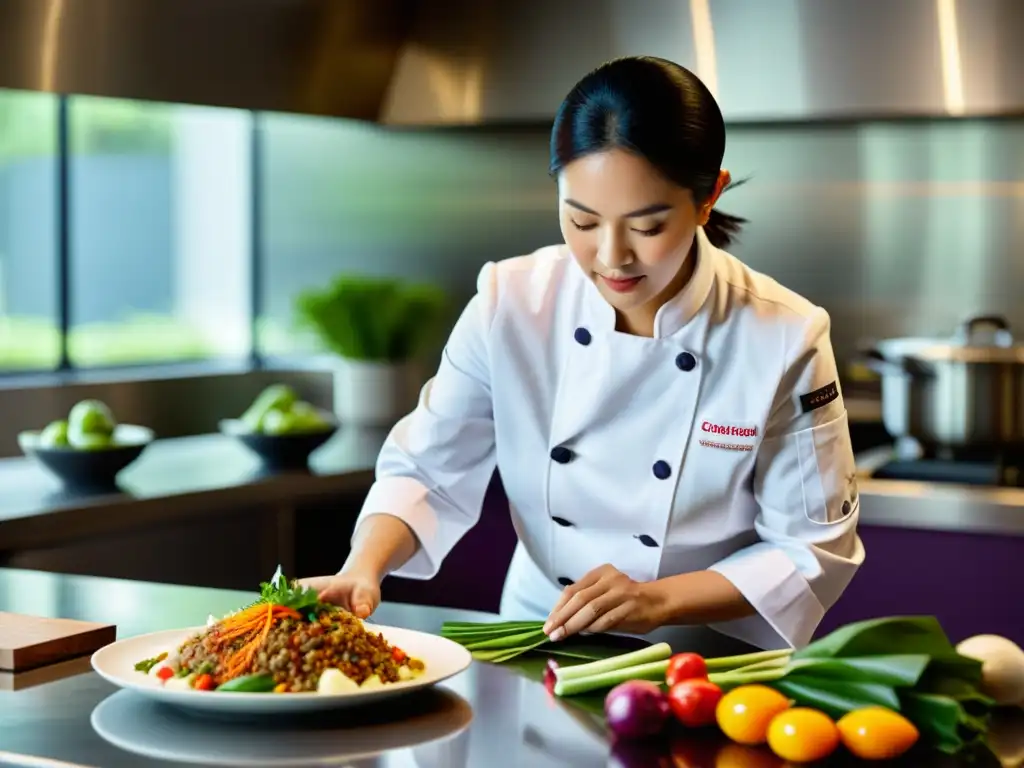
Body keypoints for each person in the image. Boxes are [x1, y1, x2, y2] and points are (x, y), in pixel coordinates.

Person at [302, 56, 865, 653]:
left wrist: (660, 600)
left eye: (647, 228)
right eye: (582, 221)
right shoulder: (510, 301)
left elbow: (810, 547)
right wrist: (363, 566)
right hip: (536, 636)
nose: (611, 256)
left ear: (708, 199)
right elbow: (427, 468)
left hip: (707, 662)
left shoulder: (783, 334)